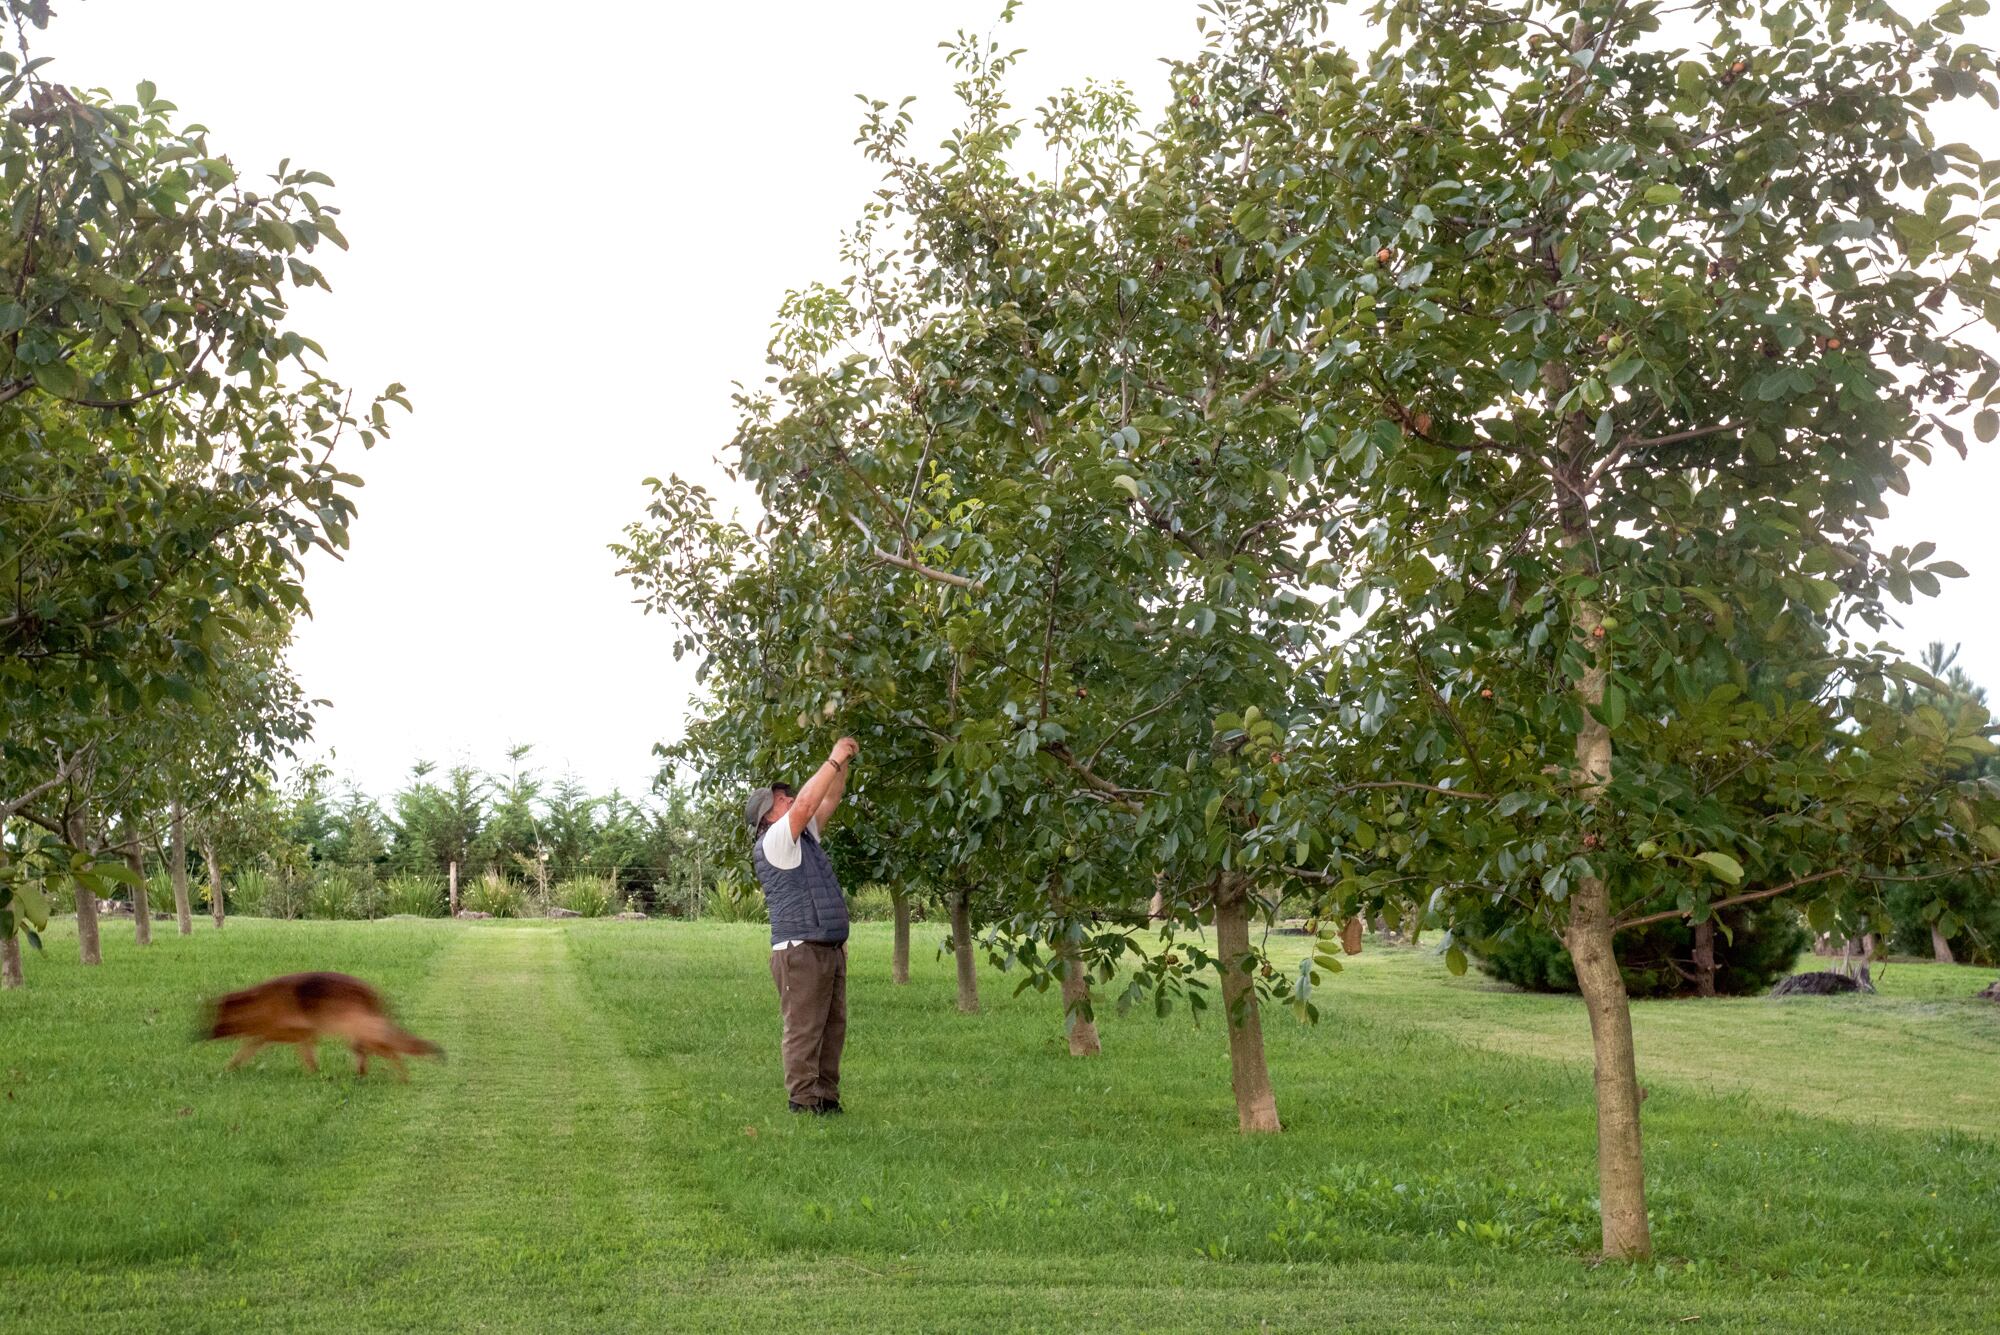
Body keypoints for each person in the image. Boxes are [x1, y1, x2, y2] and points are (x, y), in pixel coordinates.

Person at [744, 736, 858, 1115]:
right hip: (800, 951)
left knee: (831, 1028)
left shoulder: (803, 836)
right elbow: (809, 801)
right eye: (781, 800)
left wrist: (841, 767)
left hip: (825, 946)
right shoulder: (775, 839)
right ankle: (803, 1102)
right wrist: (833, 756)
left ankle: (826, 1098)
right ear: (768, 816)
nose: (790, 799)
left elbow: (827, 800)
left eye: (788, 796)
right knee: (805, 1029)